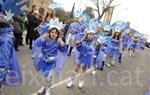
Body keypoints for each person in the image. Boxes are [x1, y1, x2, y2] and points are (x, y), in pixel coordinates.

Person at [32, 23, 67, 95]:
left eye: (56, 33)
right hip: (43, 61)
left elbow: (64, 51)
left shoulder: (58, 42)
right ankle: (44, 86)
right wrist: (42, 38)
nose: (54, 34)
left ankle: (48, 88)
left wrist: (62, 43)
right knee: (45, 76)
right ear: (49, 32)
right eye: (52, 32)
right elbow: (36, 44)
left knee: (48, 77)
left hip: (51, 63)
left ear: (58, 34)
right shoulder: (45, 39)